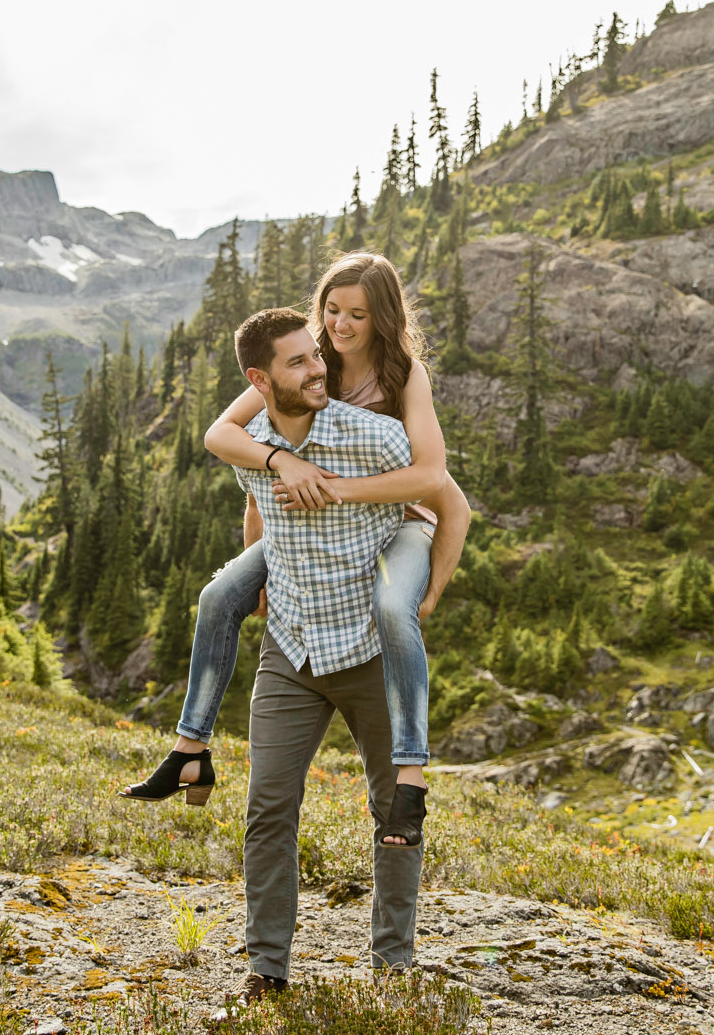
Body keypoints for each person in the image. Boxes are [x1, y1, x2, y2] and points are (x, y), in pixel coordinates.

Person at [120, 252, 469, 848]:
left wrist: (425, 583)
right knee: (219, 595)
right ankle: (189, 749)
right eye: (332, 309)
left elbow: (435, 480)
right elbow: (221, 434)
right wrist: (284, 461)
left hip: (395, 522)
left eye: (357, 314)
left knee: (392, 611)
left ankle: (412, 777)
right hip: (304, 531)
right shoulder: (308, 363)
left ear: (382, 315)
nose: (341, 325)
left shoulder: (402, 373)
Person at [220, 306, 426, 999]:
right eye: (299, 361)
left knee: (393, 806)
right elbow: (254, 500)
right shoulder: (250, 441)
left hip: (370, 649)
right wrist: (258, 575)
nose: (319, 368)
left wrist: (428, 592)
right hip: (292, 651)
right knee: (268, 805)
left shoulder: (375, 436)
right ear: (260, 378)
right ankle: (267, 968)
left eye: (318, 355)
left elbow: (438, 494)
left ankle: (394, 964)